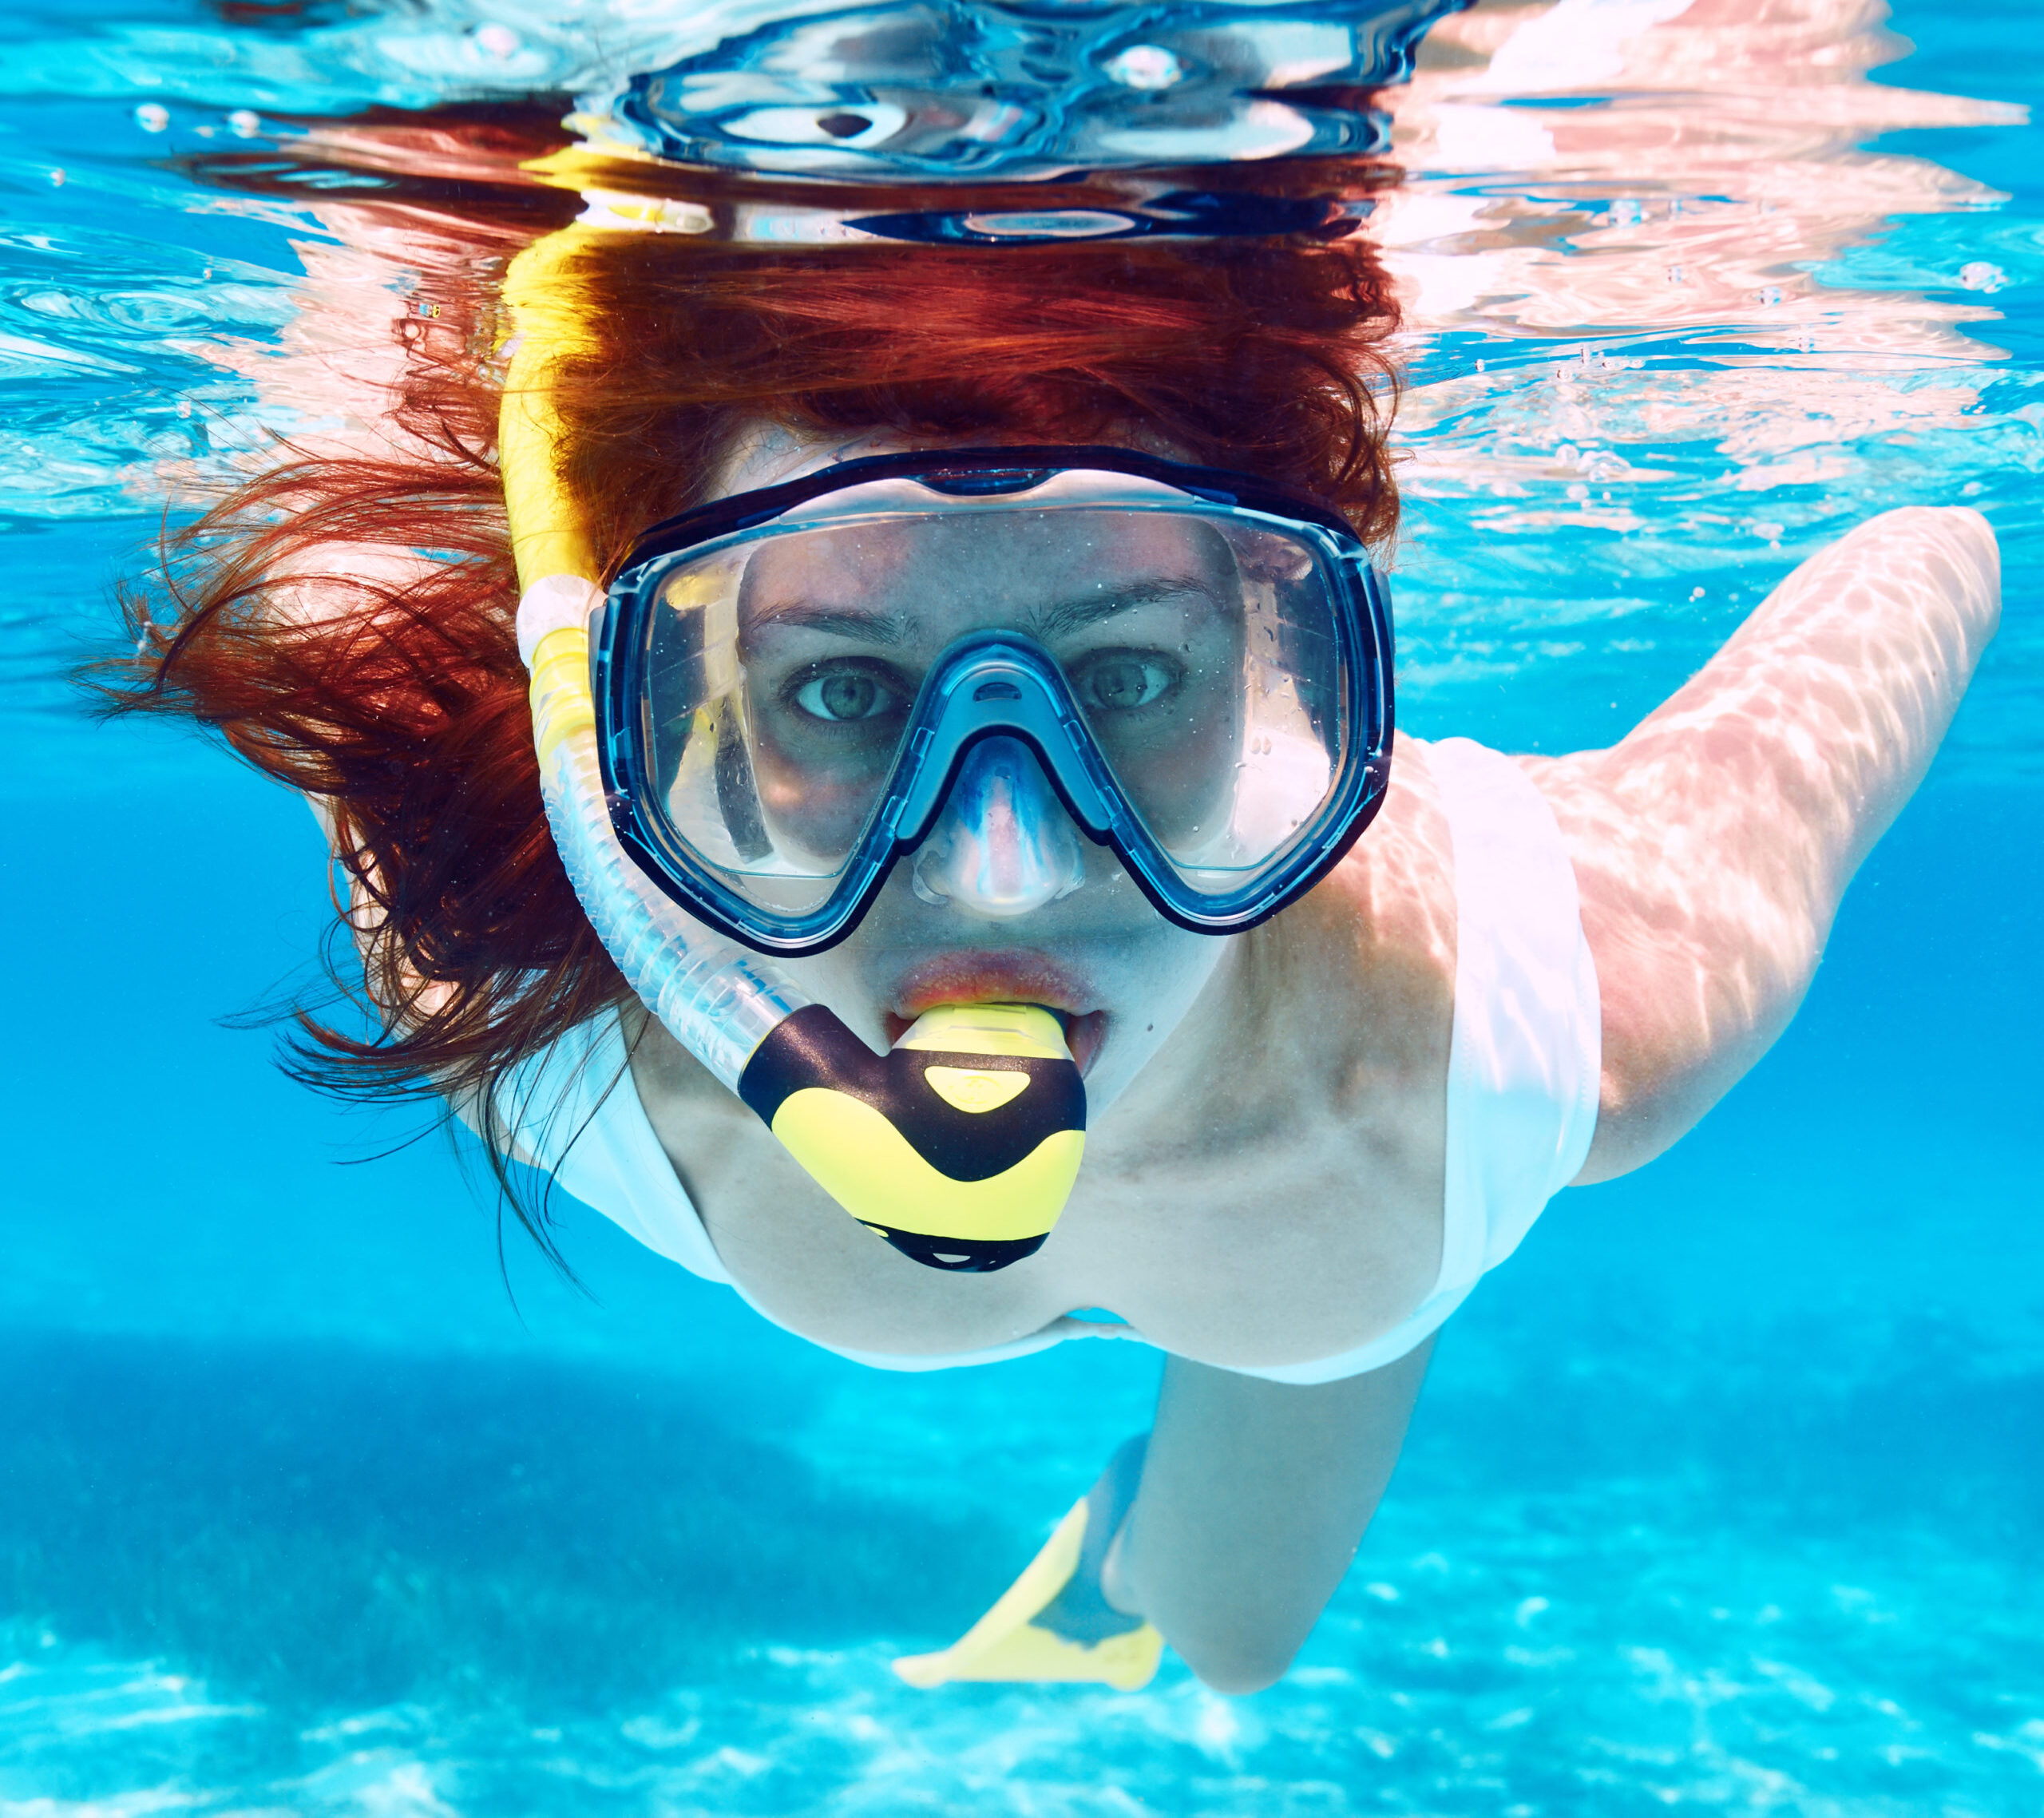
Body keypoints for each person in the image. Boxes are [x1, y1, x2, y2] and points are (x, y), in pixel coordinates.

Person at [110, 167, 2000, 1697]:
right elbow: (312, 600)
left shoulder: (1534, 1032)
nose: (1005, 871)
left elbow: (1931, 553)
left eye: (1130, 674)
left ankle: (1113, 1558)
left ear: (1294, 664)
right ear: (650, 726)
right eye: (844, 691)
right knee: (1238, 1628)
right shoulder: (542, 1029)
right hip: (1335, 1184)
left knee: (1224, 1628)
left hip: (1364, 1181)